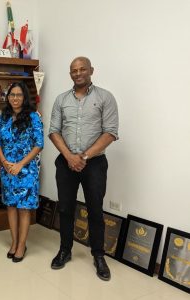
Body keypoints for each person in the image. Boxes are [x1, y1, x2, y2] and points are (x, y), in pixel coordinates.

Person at [49, 57, 119, 281]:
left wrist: (84, 156)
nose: (78, 73)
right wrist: (70, 157)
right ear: (70, 73)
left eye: (82, 69)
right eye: (73, 70)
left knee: (95, 211)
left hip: (94, 164)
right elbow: (53, 131)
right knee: (65, 209)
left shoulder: (105, 98)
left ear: (91, 71)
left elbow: (110, 133)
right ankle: (65, 250)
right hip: (66, 162)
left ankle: (98, 255)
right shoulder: (61, 100)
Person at [0, 82, 44, 263]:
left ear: (25, 97)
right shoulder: (3, 117)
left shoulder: (33, 117)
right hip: (7, 169)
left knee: (23, 208)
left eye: (19, 95)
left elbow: (39, 144)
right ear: (8, 97)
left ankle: (22, 245)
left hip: (26, 170)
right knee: (11, 206)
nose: (15, 98)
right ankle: (14, 242)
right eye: (12, 95)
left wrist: (20, 164)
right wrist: (5, 162)